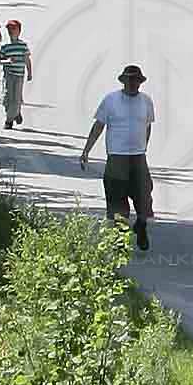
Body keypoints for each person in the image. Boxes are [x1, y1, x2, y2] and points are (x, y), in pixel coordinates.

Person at [80, 65, 156, 250]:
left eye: (136, 80)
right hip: (116, 156)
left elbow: (148, 125)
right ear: (123, 81)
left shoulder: (146, 101)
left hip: (138, 155)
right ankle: (121, 239)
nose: (133, 83)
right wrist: (86, 150)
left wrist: (144, 146)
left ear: (140, 82)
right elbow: (99, 125)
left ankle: (141, 224)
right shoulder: (111, 100)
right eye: (129, 80)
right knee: (117, 197)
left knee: (144, 194)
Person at [0, 18, 33, 129]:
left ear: (19, 31)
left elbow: (27, 59)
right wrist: (7, 61)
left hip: (19, 75)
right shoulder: (5, 46)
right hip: (8, 75)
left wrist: (29, 72)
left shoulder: (23, 46)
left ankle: (9, 121)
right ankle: (15, 113)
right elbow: (0, 60)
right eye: (9, 29)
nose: (11, 31)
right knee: (7, 97)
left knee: (16, 98)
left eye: (14, 29)